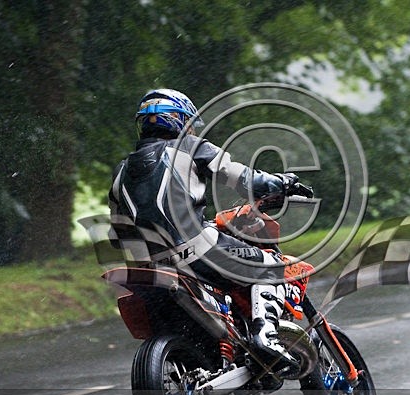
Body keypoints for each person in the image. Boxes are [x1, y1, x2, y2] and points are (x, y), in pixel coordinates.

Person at [108, 88, 310, 371]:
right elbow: (245, 179)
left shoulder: (122, 169)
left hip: (148, 264)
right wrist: (283, 183)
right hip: (196, 248)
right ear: (178, 121)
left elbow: (117, 233)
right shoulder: (192, 148)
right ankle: (265, 336)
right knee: (273, 265)